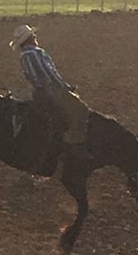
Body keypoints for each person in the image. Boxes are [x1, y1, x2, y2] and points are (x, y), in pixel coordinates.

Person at [9, 24, 92, 164]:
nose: (35, 37)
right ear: (29, 39)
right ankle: (74, 143)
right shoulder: (32, 54)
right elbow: (48, 75)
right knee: (80, 109)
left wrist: (64, 86)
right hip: (50, 91)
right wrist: (64, 88)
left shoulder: (32, 54)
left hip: (49, 90)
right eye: (32, 36)